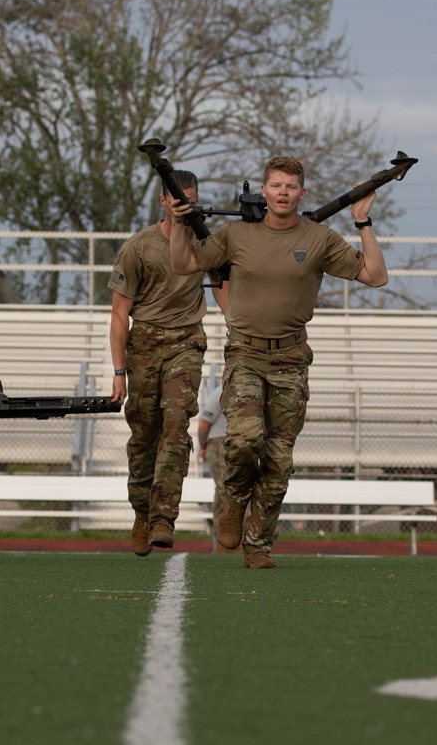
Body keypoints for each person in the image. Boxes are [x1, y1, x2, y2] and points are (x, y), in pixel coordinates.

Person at [170, 153, 389, 568]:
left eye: (291, 187)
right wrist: (181, 223)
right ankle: (233, 501)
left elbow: (375, 276)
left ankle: (258, 546)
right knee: (244, 439)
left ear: (301, 193)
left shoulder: (319, 238)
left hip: (290, 357)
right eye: (276, 185)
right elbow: (183, 263)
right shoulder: (236, 234)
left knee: (278, 459)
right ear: (265, 191)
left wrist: (363, 222)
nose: (283, 193)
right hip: (246, 353)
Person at [109, 170, 226, 556]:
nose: (182, 205)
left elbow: (222, 285)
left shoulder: (204, 241)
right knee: (144, 436)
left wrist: (238, 323)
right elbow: (119, 315)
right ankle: (142, 512)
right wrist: (119, 371)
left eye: (189, 199)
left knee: (177, 425)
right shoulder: (138, 247)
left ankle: (163, 518)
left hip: (186, 342)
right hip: (144, 344)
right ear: (163, 200)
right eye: (176, 199)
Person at [197, 380, 227, 538]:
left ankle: (223, 536)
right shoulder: (220, 393)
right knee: (225, 491)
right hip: (219, 445)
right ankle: (225, 537)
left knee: (223, 492)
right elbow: (203, 424)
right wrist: (203, 446)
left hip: (236, 443)